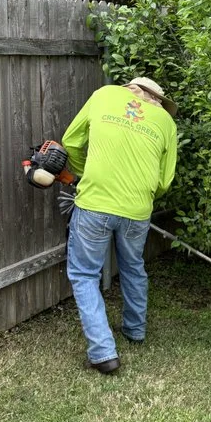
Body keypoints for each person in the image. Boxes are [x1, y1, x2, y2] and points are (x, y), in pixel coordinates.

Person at [61, 76, 178, 374]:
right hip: (137, 208)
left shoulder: (103, 95)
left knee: (85, 273)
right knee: (133, 266)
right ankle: (135, 330)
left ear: (130, 89)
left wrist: (84, 172)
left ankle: (103, 353)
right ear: (157, 100)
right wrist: (143, 193)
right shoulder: (166, 122)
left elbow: (71, 141)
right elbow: (165, 181)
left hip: (95, 203)